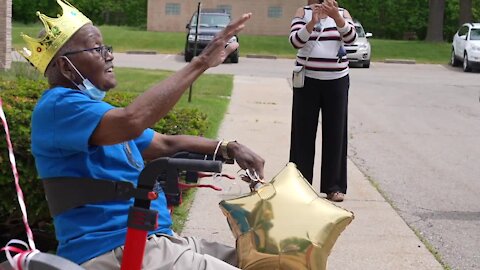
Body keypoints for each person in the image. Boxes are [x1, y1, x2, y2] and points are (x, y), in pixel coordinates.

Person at [21, 1, 263, 269]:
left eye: (106, 48)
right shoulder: (59, 107)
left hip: (153, 241)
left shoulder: (94, 113)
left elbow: (164, 143)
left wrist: (228, 147)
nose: (109, 55)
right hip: (114, 249)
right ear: (67, 68)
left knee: (264, 260)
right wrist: (201, 62)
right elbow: (133, 120)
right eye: (97, 49)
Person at [288, 0, 357, 202]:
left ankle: (333, 186)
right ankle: (300, 185)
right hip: (307, 81)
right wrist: (312, 23)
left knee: (336, 133)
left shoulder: (343, 13)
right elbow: (295, 42)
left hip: (336, 81)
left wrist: (336, 17)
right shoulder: (303, 12)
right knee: (302, 133)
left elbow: (351, 38)